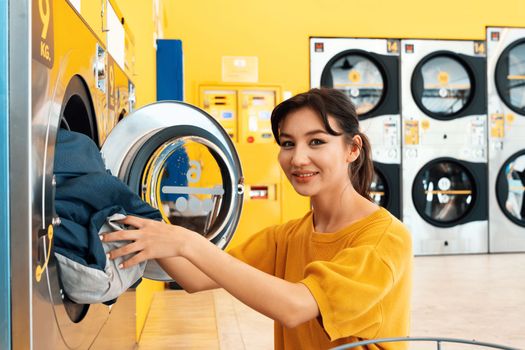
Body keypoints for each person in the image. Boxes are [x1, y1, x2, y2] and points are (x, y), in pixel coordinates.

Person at [102, 88, 413, 350]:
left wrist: (186, 241)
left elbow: (295, 307)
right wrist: (134, 210)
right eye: (288, 143)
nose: (298, 158)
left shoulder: (384, 239)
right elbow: (195, 277)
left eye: (316, 141)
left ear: (352, 149)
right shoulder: (290, 235)